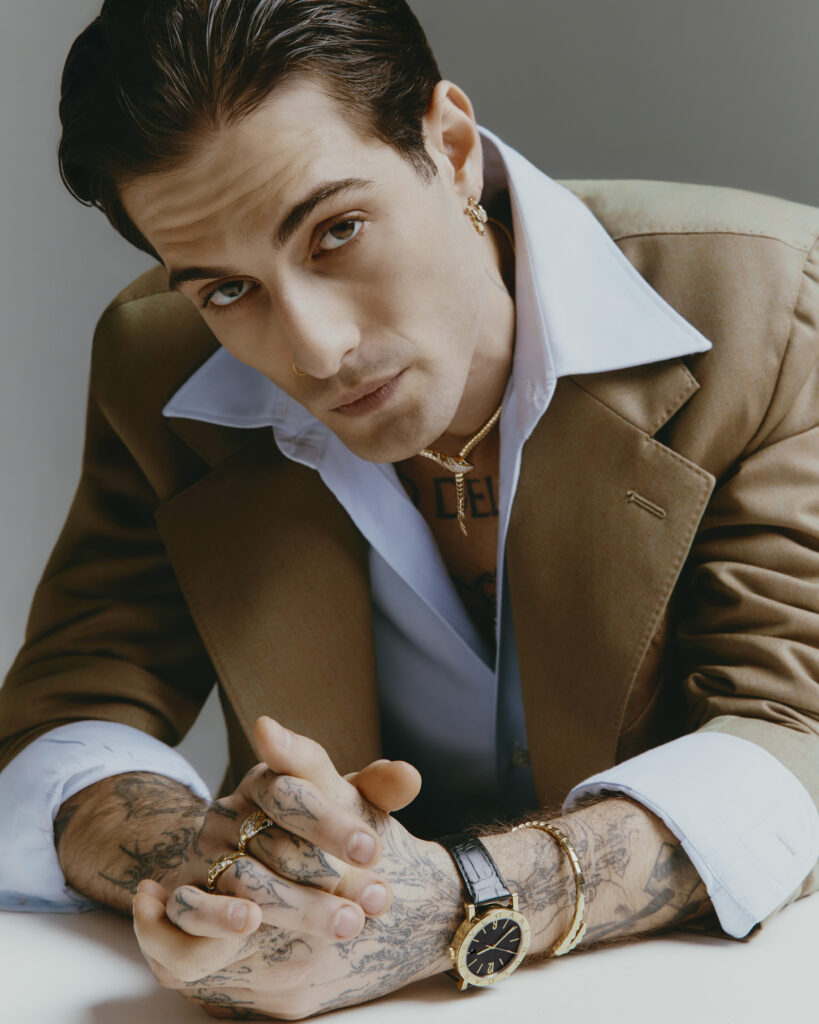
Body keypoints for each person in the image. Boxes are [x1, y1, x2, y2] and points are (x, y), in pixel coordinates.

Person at [1, 0, 818, 1017]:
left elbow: (795, 729)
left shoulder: (777, 305)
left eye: (336, 232)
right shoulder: (155, 361)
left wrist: (458, 901)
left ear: (452, 146)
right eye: (226, 290)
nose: (316, 347)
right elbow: (67, 714)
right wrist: (231, 879)